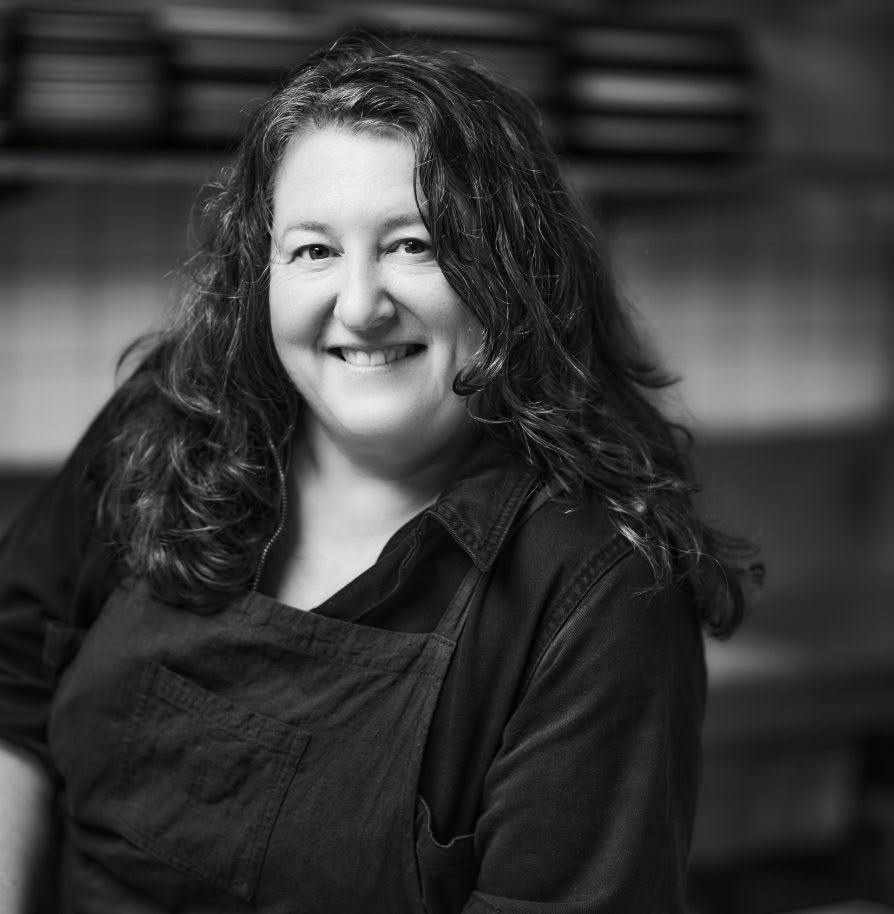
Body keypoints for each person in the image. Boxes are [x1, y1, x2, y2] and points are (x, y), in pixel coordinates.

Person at [0, 31, 758, 914]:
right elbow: (10, 684)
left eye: (414, 245)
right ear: (261, 271)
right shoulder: (169, 421)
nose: (359, 307)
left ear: (514, 271)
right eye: (314, 251)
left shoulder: (599, 589)